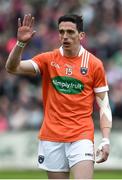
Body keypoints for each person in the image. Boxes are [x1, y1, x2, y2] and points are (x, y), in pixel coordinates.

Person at [5, 14, 112, 179]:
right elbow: (13, 68)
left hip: (81, 135)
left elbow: (104, 105)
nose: (65, 36)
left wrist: (105, 140)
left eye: (70, 32)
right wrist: (20, 44)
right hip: (52, 136)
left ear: (81, 35)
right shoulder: (48, 59)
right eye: (62, 32)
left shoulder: (94, 64)